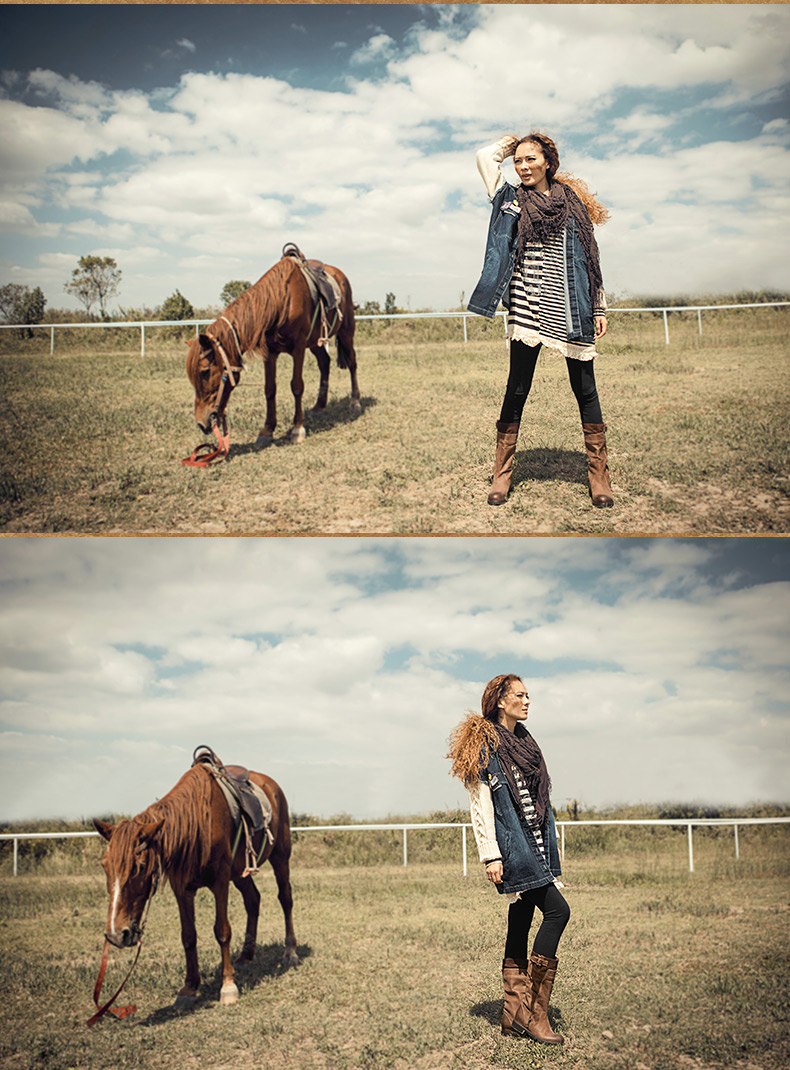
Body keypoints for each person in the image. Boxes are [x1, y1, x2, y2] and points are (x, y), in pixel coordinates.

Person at [467, 132, 614, 508]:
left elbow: (589, 259)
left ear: (548, 162)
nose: (523, 166)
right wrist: (508, 143)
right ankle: (502, 474)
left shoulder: (573, 204)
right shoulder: (510, 198)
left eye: (531, 159)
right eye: (518, 161)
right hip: (527, 304)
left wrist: (598, 306)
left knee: (585, 388)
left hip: (571, 304)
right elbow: (485, 158)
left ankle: (599, 476)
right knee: (517, 386)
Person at [447, 674, 570, 1044]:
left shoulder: (525, 741)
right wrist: (490, 856)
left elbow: (537, 799)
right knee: (558, 912)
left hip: (536, 844)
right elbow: (479, 801)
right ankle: (534, 1014)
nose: (527, 700)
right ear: (501, 700)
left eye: (528, 695)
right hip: (513, 849)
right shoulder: (484, 742)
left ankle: (512, 1013)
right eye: (519, 695)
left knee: (521, 916)